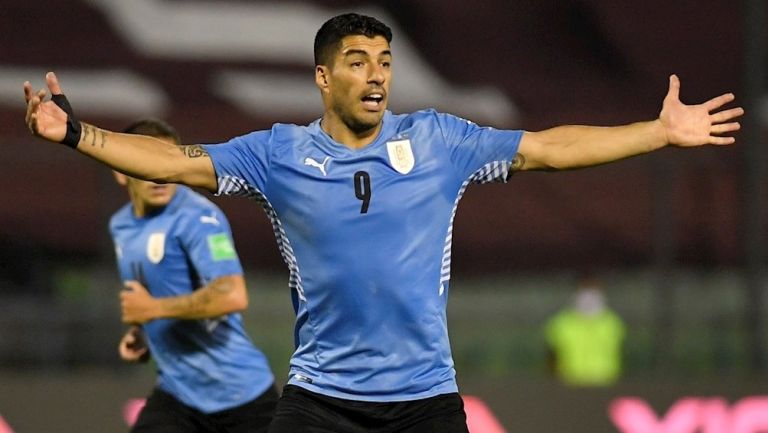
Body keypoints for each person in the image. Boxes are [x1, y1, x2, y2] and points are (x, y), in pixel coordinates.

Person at [24, 12, 743, 433]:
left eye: (386, 62)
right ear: (322, 77)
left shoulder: (439, 140)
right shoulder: (277, 154)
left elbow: (549, 149)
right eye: (358, 61)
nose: (376, 75)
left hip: (425, 399)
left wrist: (657, 132)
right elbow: (177, 162)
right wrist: (74, 134)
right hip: (319, 402)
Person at [110, 118, 278, 433]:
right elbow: (155, 290)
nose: (161, 174)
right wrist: (143, 332)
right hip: (178, 394)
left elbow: (232, 294)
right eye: (148, 162)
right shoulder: (120, 226)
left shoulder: (198, 218)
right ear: (120, 169)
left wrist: (154, 310)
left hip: (240, 397)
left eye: (169, 162)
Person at [544, 273, 626, 387]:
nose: (589, 296)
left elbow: (622, 354)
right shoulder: (560, 323)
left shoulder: (613, 323)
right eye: (585, 290)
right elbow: (551, 358)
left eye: (593, 290)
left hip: (606, 385)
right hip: (570, 385)